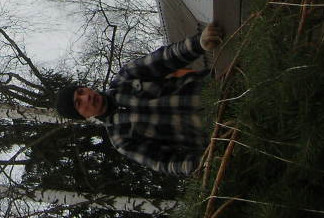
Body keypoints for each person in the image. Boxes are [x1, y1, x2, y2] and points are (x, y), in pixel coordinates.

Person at [54, 23, 224, 176]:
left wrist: (198, 44)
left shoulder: (126, 77)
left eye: (81, 91)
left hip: (222, 87)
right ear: (83, 117)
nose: (86, 97)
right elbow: (162, 162)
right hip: (220, 129)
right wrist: (201, 165)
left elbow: (165, 58)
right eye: (79, 103)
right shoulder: (121, 139)